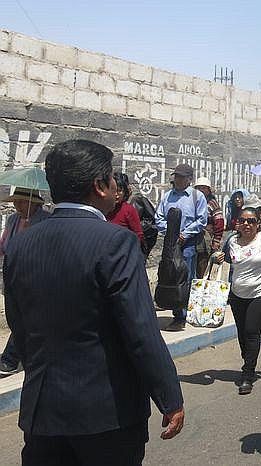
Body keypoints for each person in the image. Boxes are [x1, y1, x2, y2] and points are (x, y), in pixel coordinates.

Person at [3, 139, 184, 465]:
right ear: (100, 186)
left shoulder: (20, 245)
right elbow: (141, 331)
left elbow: (20, 326)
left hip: (42, 413)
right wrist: (170, 398)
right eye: (113, 179)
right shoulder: (116, 242)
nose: (117, 187)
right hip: (107, 415)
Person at [213, 206, 261, 395]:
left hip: (260, 292)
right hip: (237, 293)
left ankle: (247, 374)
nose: (247, 224)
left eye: (252, 221)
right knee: (242, 333)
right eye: (243, 221)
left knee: (251, 331)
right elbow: (225, 260)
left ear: (258, 223)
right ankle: (248, 359)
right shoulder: (232, 241)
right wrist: (217, 258)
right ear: (237, 223)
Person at [0, 187, 50, 378]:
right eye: (15, 201)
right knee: (18, 316)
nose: (17, 205)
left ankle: (10, 358)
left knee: (25, 316)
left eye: (21, 201)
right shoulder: (13, 220)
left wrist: (30, 236)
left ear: (34, 202)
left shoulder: (46, 220)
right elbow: (5, 245)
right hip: (13, 276)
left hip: (36, 276)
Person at [154, 163, 208, 332]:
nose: (177, 180)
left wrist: (184, 234)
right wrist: (170, 232)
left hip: (188, 245)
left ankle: (182, 316)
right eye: (176, 176)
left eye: (181, 177)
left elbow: (201, 220)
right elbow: (159, 218)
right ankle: (177, 311)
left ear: (189, 179)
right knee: (171, 277)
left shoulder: (197, 197)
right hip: (171, 245)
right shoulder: (167, 196)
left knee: (186, 278)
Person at [194, 176, 225, 278]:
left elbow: (219, 222)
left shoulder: (212, 204)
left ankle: (201, 287)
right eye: (199, 188)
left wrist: (216, 240)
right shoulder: (193, 202)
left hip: (205, 240)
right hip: (192, 238)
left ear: (208, 190)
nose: (201, 190)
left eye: (204, 188)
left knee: (203, 266)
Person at [107, 173, 145, 249]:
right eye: (114, 191)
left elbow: (138, 235)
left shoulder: (128, 210)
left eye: (120, 191)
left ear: (124, 193)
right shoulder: (104, 208)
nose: (116, 195)